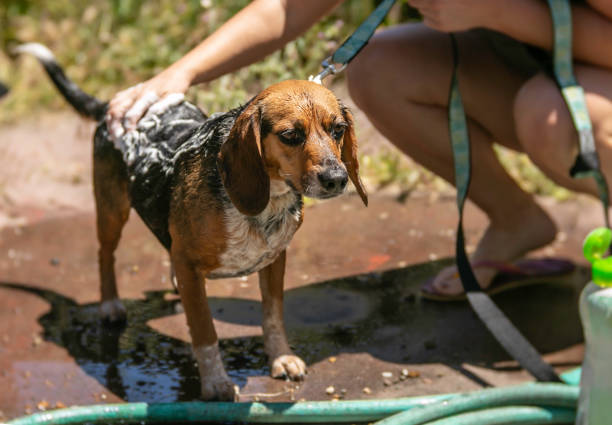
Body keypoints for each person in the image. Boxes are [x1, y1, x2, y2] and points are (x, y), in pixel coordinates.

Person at [106, 0, 612, 299]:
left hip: (590, 83)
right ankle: (515, 220)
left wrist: (497, 10)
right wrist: (181, 73)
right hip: (529, 67)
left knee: (552, 119)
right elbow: (285, 7)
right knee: (380, 65)